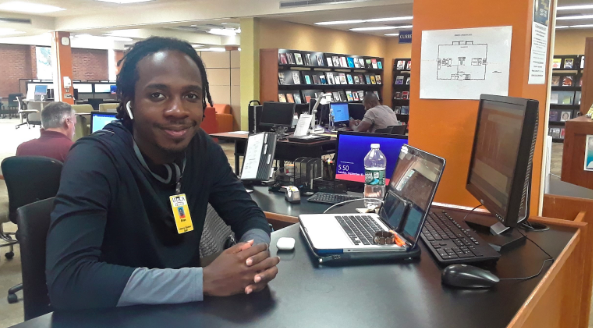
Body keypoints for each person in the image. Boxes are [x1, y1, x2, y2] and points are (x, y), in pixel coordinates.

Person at [46, 37, 279, 310]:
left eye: (191, 96)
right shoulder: (95, 159)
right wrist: (203, 281)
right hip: (113, 316)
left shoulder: (202, 149)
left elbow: (248, 215)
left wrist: (252, 260)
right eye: (157, 95)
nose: (177, 110)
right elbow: (68, 280)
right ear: (128, 100)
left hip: (184, 310)